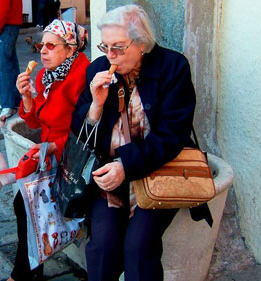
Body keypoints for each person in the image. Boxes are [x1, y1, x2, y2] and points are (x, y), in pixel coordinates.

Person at [70, 4, 212, 281]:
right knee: (102, 245)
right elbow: (79, 134)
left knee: (138, 248)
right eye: (105, 46)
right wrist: (96, 107)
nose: (110, 55)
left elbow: (172, 134)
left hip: (159, 172)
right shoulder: (98, 69)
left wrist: (127, 165)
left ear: (142, 43)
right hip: (110, 176)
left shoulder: (173, 67)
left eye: (119, 47)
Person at [12, 19, 89, 281]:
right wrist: (26, 97)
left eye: (50, 45)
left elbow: (88, 132)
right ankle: (29, 271)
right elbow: (36, 122)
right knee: (25, 202)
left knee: (27, 203)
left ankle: (25, 273)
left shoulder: (81, 76)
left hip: (73, 160)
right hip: (51, 156)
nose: (43, 51)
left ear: (70, 49)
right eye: (41, 45)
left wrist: (56, 146)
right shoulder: (48, 74)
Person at [0, 0, 22, 118]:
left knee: (4, 67)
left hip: (6, 25)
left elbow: (4, 7)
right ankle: (16, 100)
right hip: (11, 24)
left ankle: (8, 105)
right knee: (11, 64)